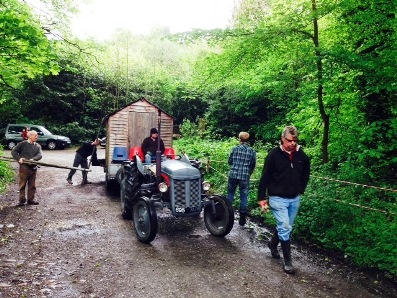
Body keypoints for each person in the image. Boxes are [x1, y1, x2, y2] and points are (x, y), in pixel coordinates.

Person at [257, 125, 310, 274]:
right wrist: (261, 197)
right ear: (282, 139)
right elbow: (265, 177)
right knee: (285, 227)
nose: (293, 143)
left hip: (294, 198)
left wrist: (301, 189)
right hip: (277, 197)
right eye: (289, 140)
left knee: (286, 226)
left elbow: (306, 173)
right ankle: (288, 262)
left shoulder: (301, 155)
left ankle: (272, 244)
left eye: (295, 140)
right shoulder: (273, 154)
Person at [227, 131, 256, 226]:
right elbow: (253, 164)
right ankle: (242, 219)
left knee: (230, 193)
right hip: (244, 176)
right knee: (244, 196)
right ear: (248, 140)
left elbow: (230, 161)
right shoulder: (251, 151)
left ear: (239, 139)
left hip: (233, 174)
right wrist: (249, 172)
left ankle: (228, 214)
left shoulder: (234, 149)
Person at [11, 130, 43, 206]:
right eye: (35, 135)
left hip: (33, 168)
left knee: (32, 185)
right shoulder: (22, 144)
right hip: (24, 168)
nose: (36, 137)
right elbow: (14, 152)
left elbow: (40, 155)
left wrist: (33, 159)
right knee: (22, 184)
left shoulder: (37, 146)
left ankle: (30, 200)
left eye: (37, 135)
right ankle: (21, 201)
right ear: (30, 136)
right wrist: (19, 158)